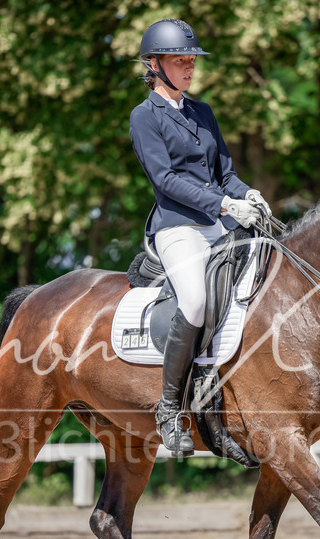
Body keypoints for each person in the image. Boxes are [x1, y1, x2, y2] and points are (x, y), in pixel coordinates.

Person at [130, 18, 272, 456]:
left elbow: (223, 174)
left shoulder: (203, 112)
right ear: (155, 65)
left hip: (219, 224)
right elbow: (166, 179)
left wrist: (246, 193)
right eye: (180, 60)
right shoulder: (144, 117)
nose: (190, 67)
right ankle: (170, 408)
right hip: (178, 228)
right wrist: (227, 206)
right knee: (194, 301)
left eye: (192, 60)